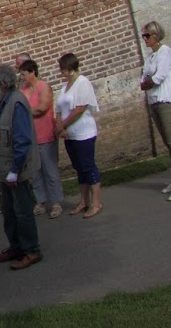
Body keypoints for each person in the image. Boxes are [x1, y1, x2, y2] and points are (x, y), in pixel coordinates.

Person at [0, 63, 42, 271]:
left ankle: (32, 250)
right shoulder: (4, 102)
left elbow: (21, 139)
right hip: (6, 170)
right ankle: (16, 246)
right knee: (9, 212)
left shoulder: (16, 103)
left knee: (22, 212)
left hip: (16, 170)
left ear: (2, 83)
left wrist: (15, 170)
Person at [140, 21, 171, 201]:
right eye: (143, 36)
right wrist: (147, 82)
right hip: (154, 101)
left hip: (166, 99)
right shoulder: (151, 57)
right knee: (168, 142)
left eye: (147, 36)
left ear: (155, 35)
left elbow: (158, 77)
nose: (144, 39)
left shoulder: (165, 51)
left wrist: (148, 82)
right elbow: (143, 78)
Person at [55, 52, 102, 218]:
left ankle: (96, 202)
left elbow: (80, 109)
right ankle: (84, 200)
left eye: (62, 69)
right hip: (70, 135)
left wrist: (63, 124)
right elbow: (59, 108)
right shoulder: (64, 87)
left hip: (84, 132)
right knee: (79, 168)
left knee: (88, 165)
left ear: (70, 68)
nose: (61, 72)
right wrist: (60, 127)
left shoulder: (82, 82)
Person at [16, 58, 62, 217]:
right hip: (29, 137)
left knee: (50, 169)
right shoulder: (22, 91)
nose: (22, 77)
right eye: (20, 74)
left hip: (45, 133)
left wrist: (25, 110)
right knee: (35, 172)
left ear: (32, 72)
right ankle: (41, 201)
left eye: (24, 73)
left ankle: (55, 202)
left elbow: (42, 107)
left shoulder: (44, 87)